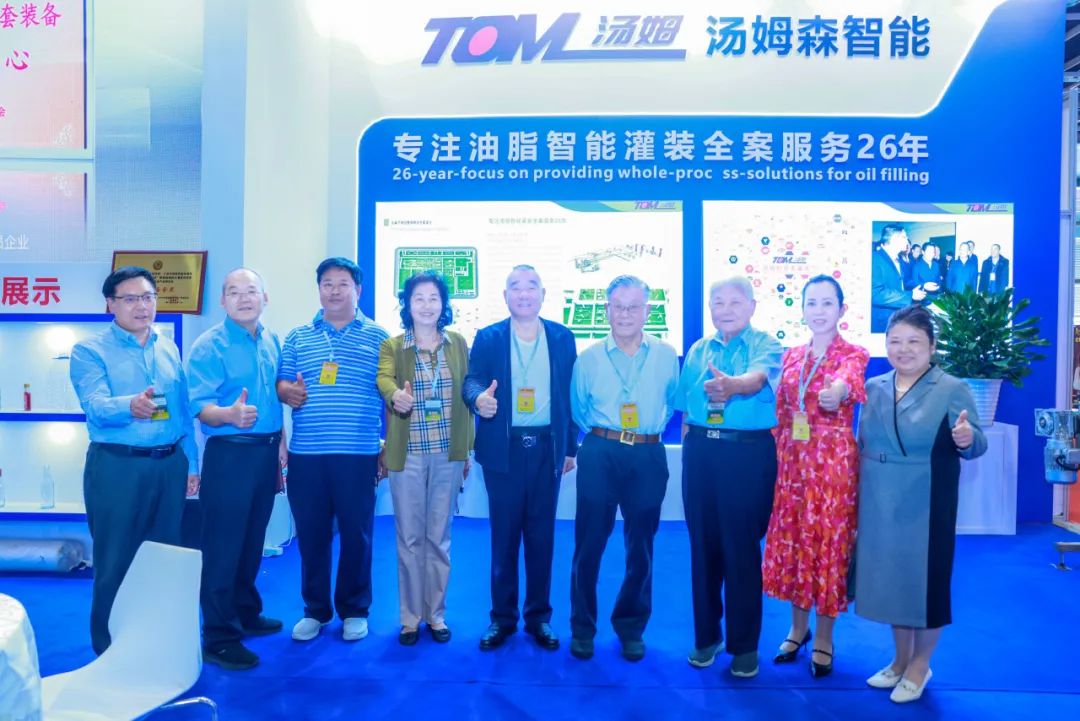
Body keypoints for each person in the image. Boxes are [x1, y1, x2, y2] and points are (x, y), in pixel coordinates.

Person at [855, 304, 987, 704]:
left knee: (926, 584)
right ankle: (899, 660)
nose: (903, 349)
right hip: (879, 500)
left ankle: (920, 665)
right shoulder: (874, 386)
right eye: (895, 341)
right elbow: (863, 441)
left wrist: (966, 438)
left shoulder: (950, 387)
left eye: (914, 341)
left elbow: (976, 441)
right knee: (894, 582)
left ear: (931, 346)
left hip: (926, 502)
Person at [69, 266, 200, 655]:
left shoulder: (167, 347)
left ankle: (155, 644)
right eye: (130, 299)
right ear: (110, 304)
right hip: (118, 467)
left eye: (147, 297)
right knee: (115, 558)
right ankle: (110, 650)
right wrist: (131, 405)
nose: (141, 306)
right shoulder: (89, 351)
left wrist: (191, 464)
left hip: (170, 464)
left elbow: (181, 412)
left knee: (164, 557)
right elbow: (95, 406)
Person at [463, 265, 579, 651]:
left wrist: (570, 447)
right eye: (516, 287)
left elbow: (569, 396)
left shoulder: (562, 337)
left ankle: (539, 617)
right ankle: (502, 618)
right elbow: (472, 380)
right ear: (505, 295)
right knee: (504, 537)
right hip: (504, 450)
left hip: (547, 449)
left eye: (532, 287)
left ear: (543, 294)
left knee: (542, 537)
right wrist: (478, 399)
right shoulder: (489, 336)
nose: (524, 293)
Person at [762, 276, 869, 678]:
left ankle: (824, 636)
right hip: (792, 464)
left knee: (827, 547)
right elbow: (780, 413)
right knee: (796, 544)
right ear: (803, 309)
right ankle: (797, 629)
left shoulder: (853, 353)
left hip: (832, 468)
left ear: (842, 310)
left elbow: (848, 381)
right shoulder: (790, 356)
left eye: (827, 303)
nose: (819, 311)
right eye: (812, 303)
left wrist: (836, 392)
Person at [276, 257, 388, 643]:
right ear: (319, 289)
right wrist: (287, 392)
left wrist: (387, 448)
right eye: (327, 283)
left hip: (358, 454)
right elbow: (281, 384)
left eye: (343, 284)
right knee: (312, 536)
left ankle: (354, 609)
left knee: (358, 535)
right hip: (307, 456)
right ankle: (316, 610)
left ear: (358, 290)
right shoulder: (297, 336)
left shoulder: (379, 337)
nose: (335, 290)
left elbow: (389, 394)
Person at [569, 275, 679, 662]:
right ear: (607, 310)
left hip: (647, 454)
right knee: (588, 544)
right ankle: (582, 627)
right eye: (618, 306)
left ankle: (631, 627)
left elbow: (671, 402)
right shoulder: (588, 358)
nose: (626, 314)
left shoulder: (666, 355)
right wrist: (609, 436)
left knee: (641, 547)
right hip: (600, 451)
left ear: (648, 311)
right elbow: (579, 409)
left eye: (634, 307)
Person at [675, 277, 781, 679]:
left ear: (752, 306)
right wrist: (690, 453)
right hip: (701, 452)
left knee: (740, 548)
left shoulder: (766, 344)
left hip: (746, 454)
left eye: (735, 302)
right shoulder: (698, 349)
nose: (726, 309)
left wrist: (731, 386)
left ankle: (744, 645)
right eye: (717, 302)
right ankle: (707, 636)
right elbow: (687, 409)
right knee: (702, 546)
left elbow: (757, 379)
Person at [185, 268, 288, 670]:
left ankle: (245, 612)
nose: (244, 298)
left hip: (265, 453)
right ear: (222, 301)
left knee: (251, 541)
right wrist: (228, 414)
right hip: (229, 454)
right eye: (234, 292)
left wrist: (281, 442)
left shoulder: (271, 340)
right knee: (223, 547)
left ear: (265, 297)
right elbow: (200, 407)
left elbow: (273, 400)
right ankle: (219, 636)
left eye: (251, 291)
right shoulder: (209, 346)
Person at [376, 270, 474, 646]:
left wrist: (467, 448)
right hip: (409, 455)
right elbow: (384, 378)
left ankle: (436, 615)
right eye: (419, 298)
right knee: (410, 537)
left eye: (434, 298)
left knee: (439, 537)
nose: (427, 305)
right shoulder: (394, 346)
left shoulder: (458, 343)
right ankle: (409, 619)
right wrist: (394, 396)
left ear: (443, 304)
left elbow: (468, 390)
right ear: (408, 304)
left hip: (448, 454)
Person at [871, 225, 927, 333]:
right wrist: (910, 295)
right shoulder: (875, 258)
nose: (907, 240)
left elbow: (903, 282)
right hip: (883, 320)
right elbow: (875, 294)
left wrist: (923, 285)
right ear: (894, 239)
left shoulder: (898, 259)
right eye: (904, 237)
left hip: (897, 316)